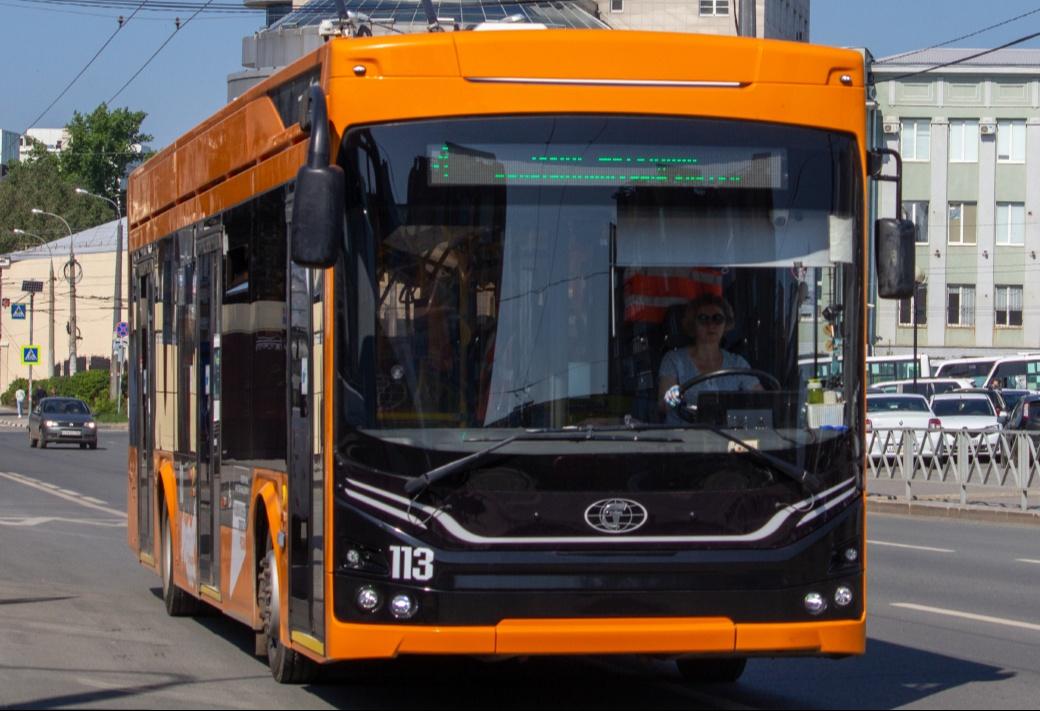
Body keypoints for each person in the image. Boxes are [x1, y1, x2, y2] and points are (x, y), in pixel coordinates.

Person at [658, 294, 760, 424]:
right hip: (683, 435)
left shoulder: (737, 363)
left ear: (726, 324)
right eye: (703, 319)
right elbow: (663, 405)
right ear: (693, 323)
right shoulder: (673, 360)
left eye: (717, 319)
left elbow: (760, 400)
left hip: (729, 435)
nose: (711, 325)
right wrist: (672, 397)